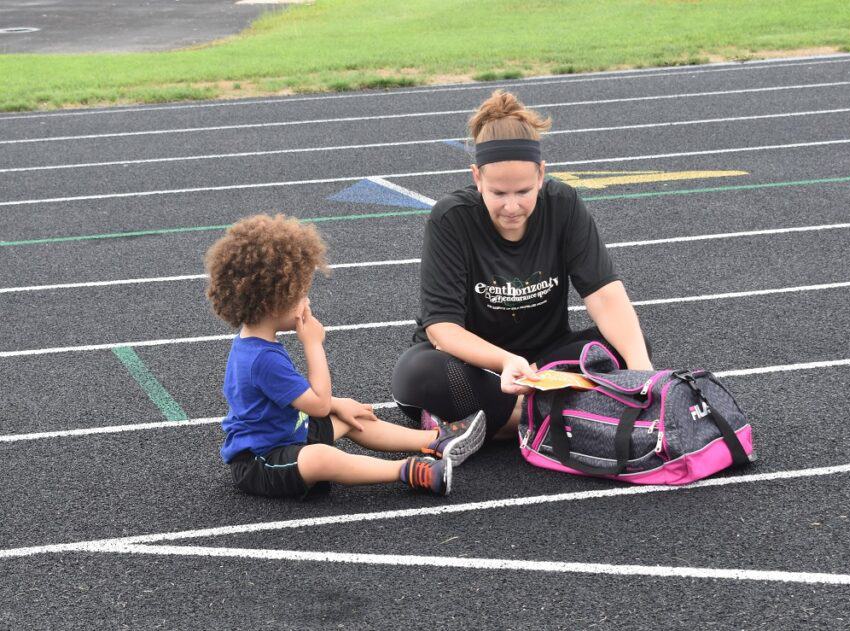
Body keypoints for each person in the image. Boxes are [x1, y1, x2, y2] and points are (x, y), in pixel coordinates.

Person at [391, 90, 652, 442]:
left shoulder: (563, 205)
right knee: (417, 374)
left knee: (629, 346)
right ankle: (566, 415)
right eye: (498, 193)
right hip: (478, 366)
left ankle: (495, 425)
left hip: (547, 362)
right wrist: (503, 362)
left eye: (524, 192)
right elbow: (442, 329)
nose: (511, 206)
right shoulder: (451, 218)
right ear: (477, 177)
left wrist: (645, 375)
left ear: (542, 174)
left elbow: (604, 295)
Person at [205, 213, 485, 499]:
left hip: (288, 432)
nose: (307, 301)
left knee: (351, 417)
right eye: (300, 294)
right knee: (321, 458)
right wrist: (313, 344)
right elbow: (317, 403)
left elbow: (296, 399)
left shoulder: (255, 343)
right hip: (261, 460)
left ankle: (436, 440)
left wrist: (337, 405)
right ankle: (408, 470)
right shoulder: (262, 359)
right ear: (273, 304)